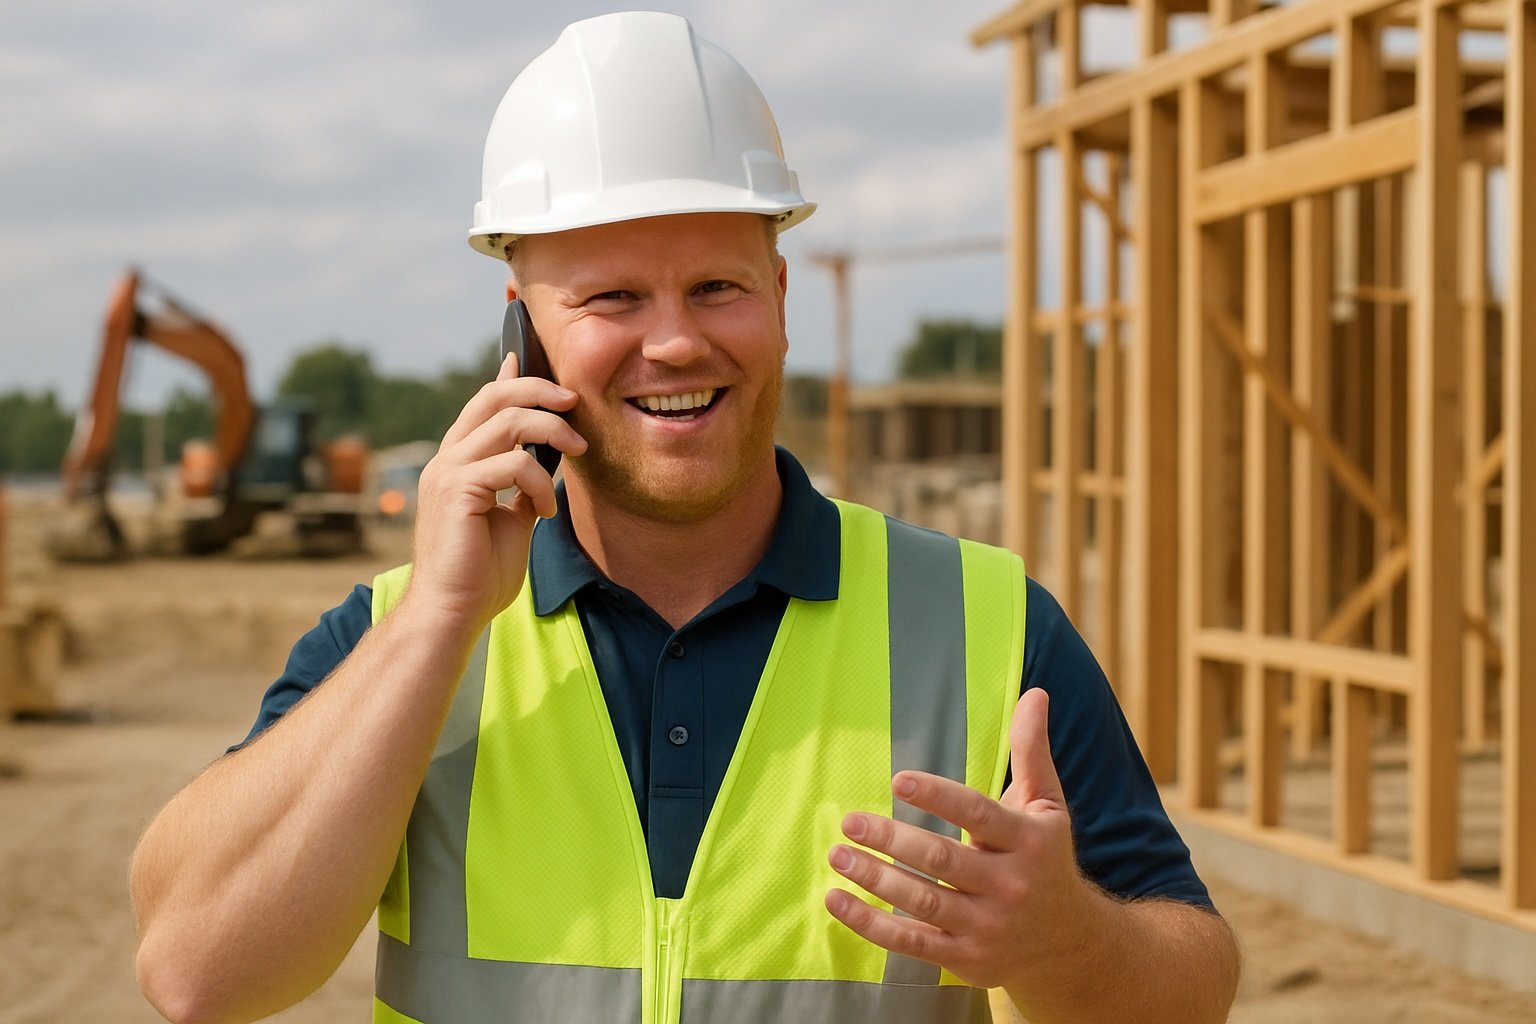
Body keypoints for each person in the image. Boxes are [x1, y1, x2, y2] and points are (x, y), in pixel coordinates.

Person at [130, 12, 1239, 1023]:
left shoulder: (981, 624)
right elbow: (195, 974)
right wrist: (435, 623)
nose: (674, 343)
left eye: (717, 286)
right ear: (523, 335)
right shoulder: (406, 639)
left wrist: (1063, 945)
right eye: (612, 297)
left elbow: (1194, 984)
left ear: (782, 302)